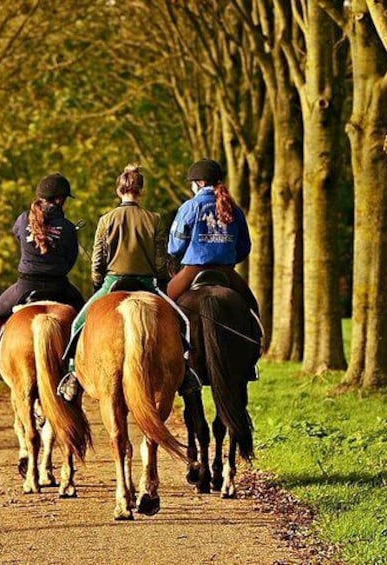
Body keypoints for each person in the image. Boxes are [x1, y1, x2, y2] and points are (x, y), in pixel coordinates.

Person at [57, 164, 197, 400]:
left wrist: (97, 283)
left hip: (113, 282)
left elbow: (98, 258)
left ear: (119, 190)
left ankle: (72, 374)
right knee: (182, 323)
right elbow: (160, 259)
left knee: (77, 325)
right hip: (146, 283)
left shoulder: (106, 219)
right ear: (140, 191)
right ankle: (186, 372)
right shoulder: (154, 219)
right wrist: (161, 283)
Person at [167, 158, 262, 377]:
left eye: (192, 182)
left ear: (199, 183)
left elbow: (175, 245)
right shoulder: (234, 209)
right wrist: (227, 257)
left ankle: (170, 358)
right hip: (226, 270)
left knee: (165, 304)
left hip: (194, 269)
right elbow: (244, 246)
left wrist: (186, 257)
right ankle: (252, 357)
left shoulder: (190, 206)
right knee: (251, 307)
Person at [0, 173, 85, 380]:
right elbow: (70, 260)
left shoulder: (23, 219)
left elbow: (18, 234)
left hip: (25, 285)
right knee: (84, 315)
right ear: (60, 199)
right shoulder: (67, 227)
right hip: (59, 287)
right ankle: (77, 364)